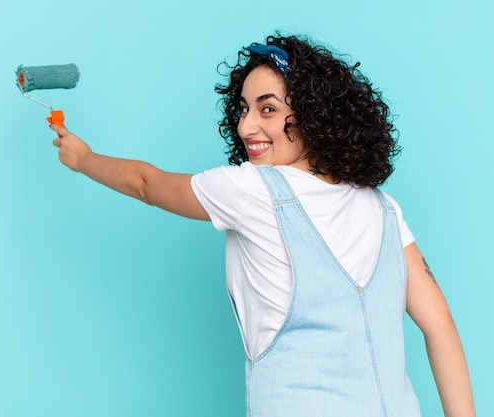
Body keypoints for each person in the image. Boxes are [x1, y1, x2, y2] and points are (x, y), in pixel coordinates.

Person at [49, 34, 475, 417]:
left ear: (315, 115)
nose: (245, 125)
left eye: (267, 109)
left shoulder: (251, 191)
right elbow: (439, 322)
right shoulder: (383, 208)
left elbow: (147, 183)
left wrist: (84, 160)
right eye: (243, 109)